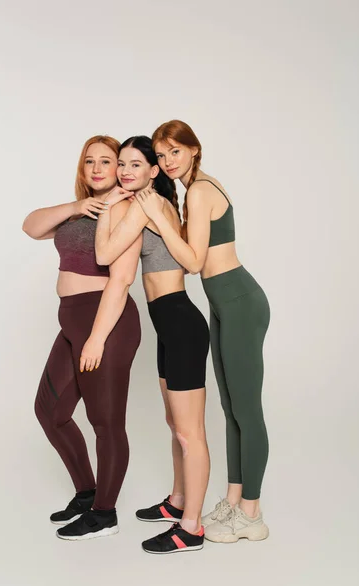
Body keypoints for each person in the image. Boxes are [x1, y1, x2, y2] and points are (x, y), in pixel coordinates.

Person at [133, 120, 270, 543]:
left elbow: (192, 261)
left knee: (247, 410)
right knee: (230, 409)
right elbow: (189, 252)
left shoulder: (202, 190)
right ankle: (233, 500)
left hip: (239, 302)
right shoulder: (195, 190)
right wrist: (157, 218)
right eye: (161, 154)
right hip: (222, 303)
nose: (168, 161)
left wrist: (157, 214)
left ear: (194, 149)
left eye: (175, 151)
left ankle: (252, 512)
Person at [22, 135, 141, 541]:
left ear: (119, 167)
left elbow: (121, 280)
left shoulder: (128, 208)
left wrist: (96, 338)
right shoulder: (77, 213)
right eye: (89, 161)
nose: (96, 168)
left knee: (106, 422)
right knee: (49, 412)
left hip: (105, 321)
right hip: (71, 319)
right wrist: (77, 206)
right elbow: (31, 226)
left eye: (106, 161)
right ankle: (87, 492)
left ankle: (105, 514)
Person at [95, 135, 210, 554]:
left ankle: (192, 529)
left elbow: (106, 254)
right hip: (169, 325)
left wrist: (108, 206)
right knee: (174, 426)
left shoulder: (147, 206)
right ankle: (178, 502)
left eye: (135, 165)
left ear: (153, 171)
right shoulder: (148, 203)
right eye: (121, 165)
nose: (124, 172)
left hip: (181, 323)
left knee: (189, 433)